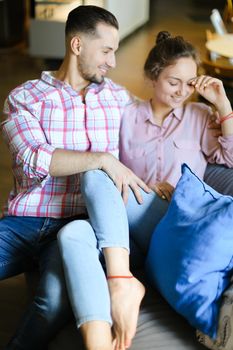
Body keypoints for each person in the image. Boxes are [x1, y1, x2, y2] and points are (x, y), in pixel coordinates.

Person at [58, 31, 233, 350]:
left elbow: (230, 158)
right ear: (154, 76)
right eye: (173, 82)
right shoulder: (127, 115)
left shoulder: (199, 117)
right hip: (127, 226)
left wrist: (222, 103)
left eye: (189, 83)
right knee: (71, 234)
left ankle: (121, 282)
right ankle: (99, 338)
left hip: (170, 219)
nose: (182, 91)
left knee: (95, 173)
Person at [0, 5, 149, 350]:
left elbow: (161, 115)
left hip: (76, 229)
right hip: (26, 220)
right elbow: (35, 157)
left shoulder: (118, 98)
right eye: (107, 51)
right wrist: (102, 160)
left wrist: (211, 110)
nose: (113, 62)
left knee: (51, 305)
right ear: (77, 45)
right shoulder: (25, 98)